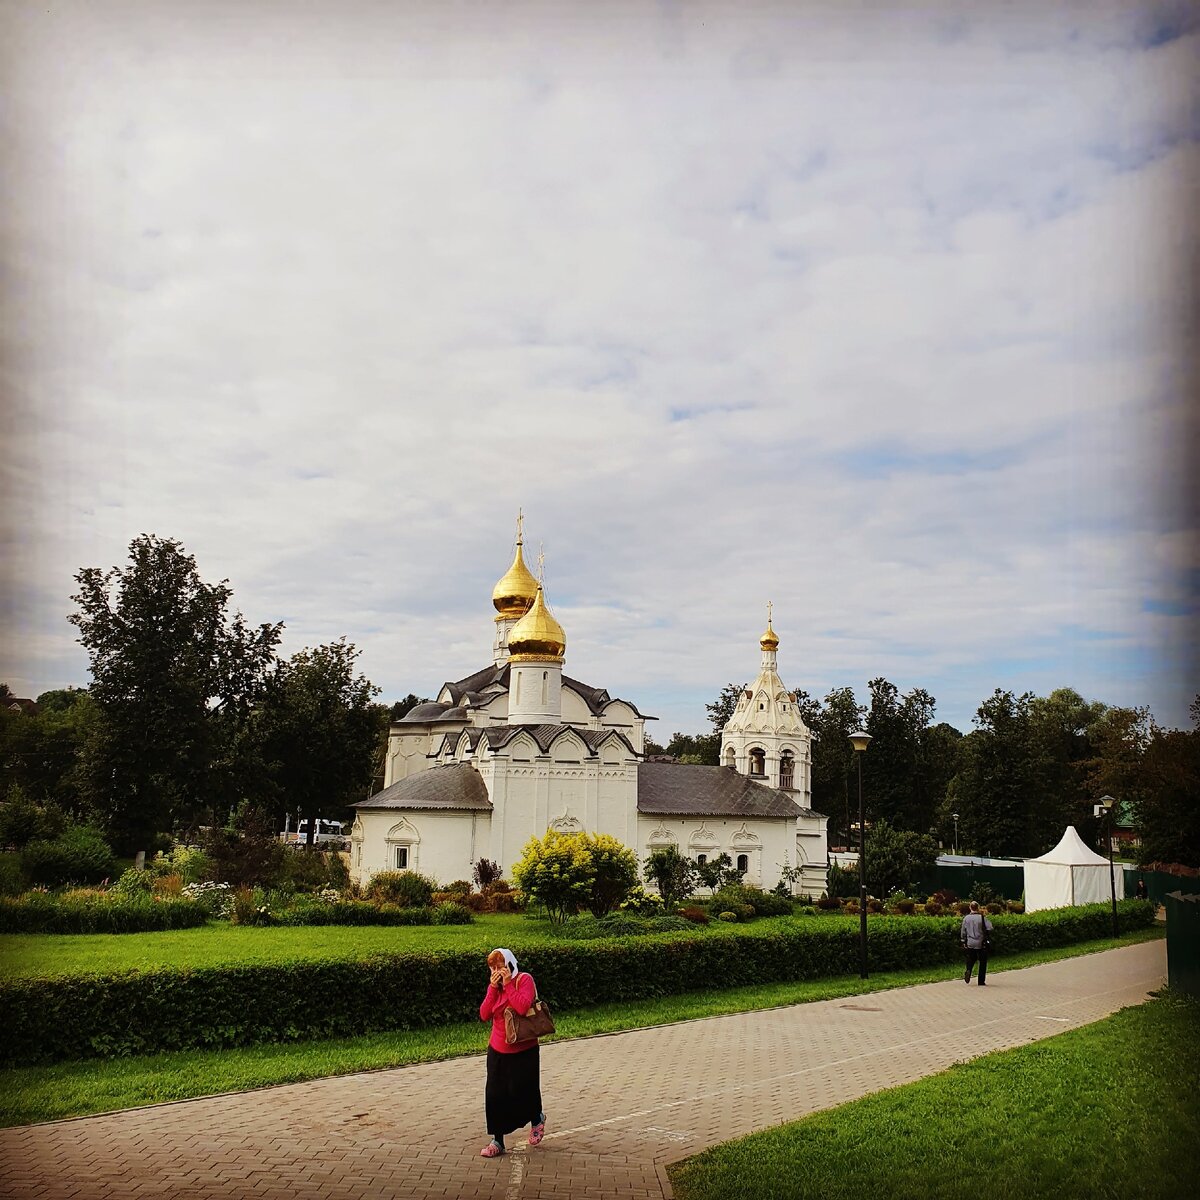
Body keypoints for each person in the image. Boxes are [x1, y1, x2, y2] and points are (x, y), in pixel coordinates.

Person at [478, 947, 546, 1158]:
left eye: (500, 967)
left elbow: (522, 1007)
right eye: (493, 968)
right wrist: (492, 988)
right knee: (495, 1094)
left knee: (524, 1090)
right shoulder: (495, 988)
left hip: (524, 1047)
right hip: (498, 1047)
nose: (497, 971)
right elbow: (484, 1014)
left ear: (509, 964)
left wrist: (507, 984)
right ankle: (497, 1140)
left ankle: (536, 1118)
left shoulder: (524, 980)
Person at [960, 900, 993, 986]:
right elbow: (990, 928)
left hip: (970, 942)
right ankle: (981, 981)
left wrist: (963, 941)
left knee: (971, 959)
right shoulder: (982, 918)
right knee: (982, 961)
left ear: (970, 908)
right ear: (978, 908)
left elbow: (963, 931)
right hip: (981, 943)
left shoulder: (966, 918)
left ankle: (969, 970)